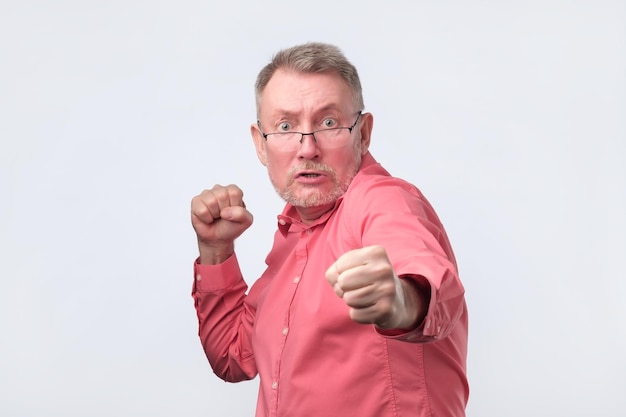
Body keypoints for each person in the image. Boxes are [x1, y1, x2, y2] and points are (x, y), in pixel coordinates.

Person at [190, 42, 469, 417]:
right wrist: (215, 250)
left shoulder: (383, 200)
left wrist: (403, 301)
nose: (308, 148)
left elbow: (433, 281)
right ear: (261, 144)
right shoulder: (289, 242)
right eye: (286, 126)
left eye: (328, 122)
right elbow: (232, 357)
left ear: (364, 133)